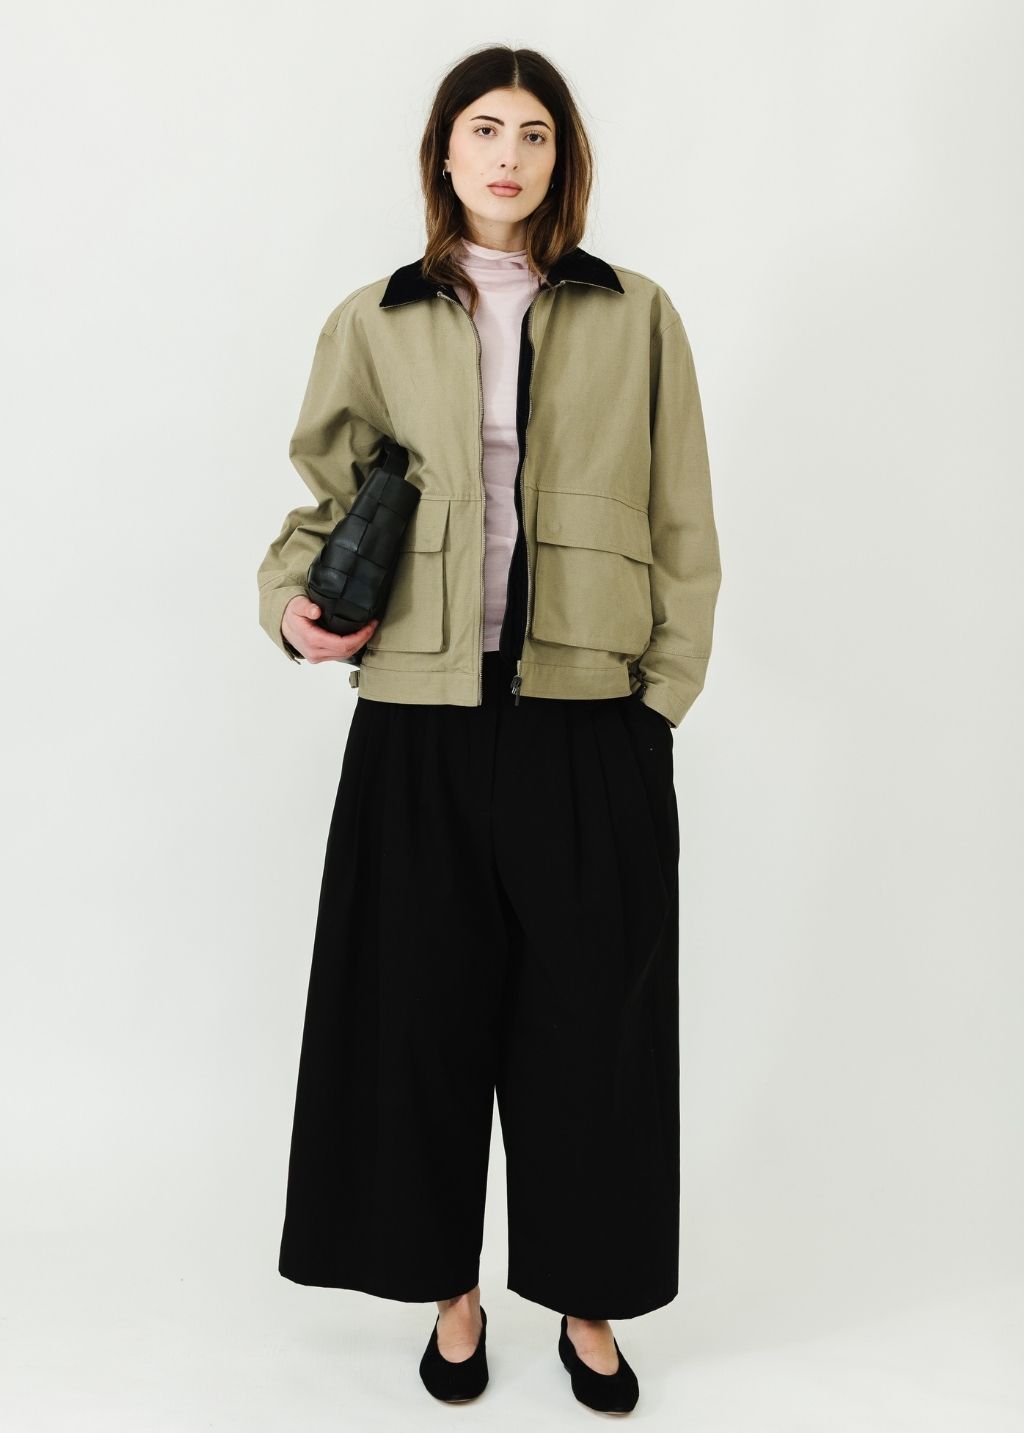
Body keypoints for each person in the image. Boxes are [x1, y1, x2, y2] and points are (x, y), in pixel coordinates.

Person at [256, 45, 722, 1415]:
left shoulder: (638, 314)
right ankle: (448, 1292)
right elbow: (318, 508)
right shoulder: (377, 317)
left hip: (590, 719)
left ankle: (587, 1299)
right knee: (418, 1020)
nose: (507, 155)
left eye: (533, 132)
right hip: (419, 720)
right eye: (483, 129)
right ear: (444, 153)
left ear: (562, 158)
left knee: (594, 1030)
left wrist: (660, 700)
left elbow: (686, 520)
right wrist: (291, 610)